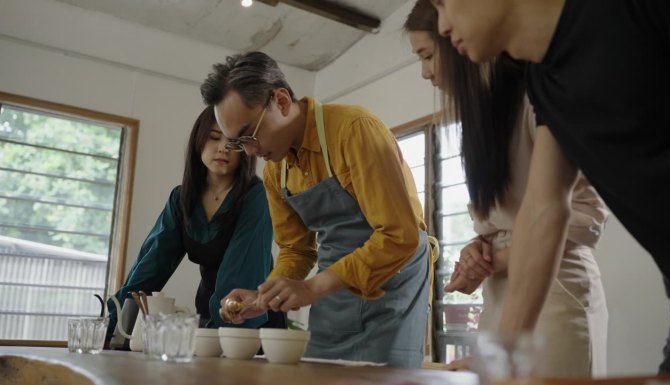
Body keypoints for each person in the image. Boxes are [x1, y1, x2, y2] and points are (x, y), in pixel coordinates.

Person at [431, 0, 670, 373]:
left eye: (442, 3)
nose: (443, 24)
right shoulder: (546, 83)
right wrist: (501, 359)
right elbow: (545, 206)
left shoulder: (632, 11)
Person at [404, 0, 609, 376]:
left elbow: (574, 216)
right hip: (501, 294)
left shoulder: (542, 89)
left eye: (427, 55)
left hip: (557, 288)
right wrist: (478, 249)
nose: (424, 73)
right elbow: (504, 218)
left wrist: (493, 260)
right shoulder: (481, 115)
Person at [201, 51, 432, 368]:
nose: (250, 151)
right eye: (238, 143)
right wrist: (264, 296)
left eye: (249, 135)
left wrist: (312, 286)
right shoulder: (275, 170)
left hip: (393, 281)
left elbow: (399, 236)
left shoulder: (354, 130)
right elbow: (296, 249)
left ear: (281, 101)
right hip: (333, 288)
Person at [106, 106, 285, 343]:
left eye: (233, 142)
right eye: (213, 137)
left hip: (249, 320)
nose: (222, 148)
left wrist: (215, 328)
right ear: (198, 142)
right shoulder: (181, 199)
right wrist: (112, 322)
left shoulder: (256, 196)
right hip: (208, 315)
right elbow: (153, 263)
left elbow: (242, 271)